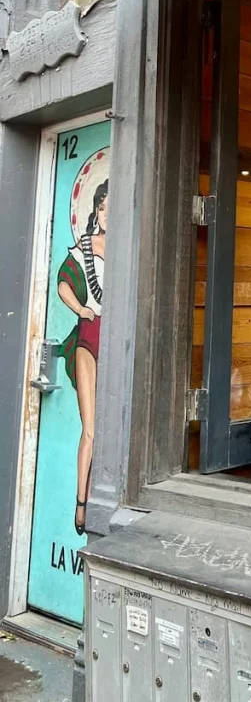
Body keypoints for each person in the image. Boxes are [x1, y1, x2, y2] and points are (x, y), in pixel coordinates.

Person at [57, 180, 108, 535]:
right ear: (96, 210)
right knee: (90, 428)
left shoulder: (124, 248)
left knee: (110, 430)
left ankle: (98, 498)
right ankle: (81, 502)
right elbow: (63, 282)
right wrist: (82, 309)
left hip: (115, 340)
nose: (108, 215)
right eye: (104, 208)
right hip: (89, 339)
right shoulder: (84, 249)